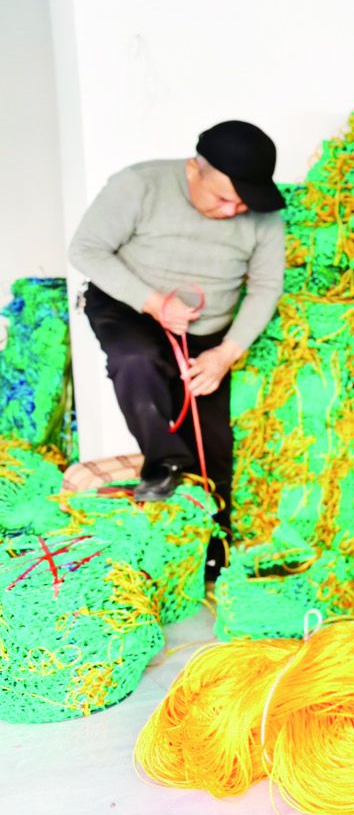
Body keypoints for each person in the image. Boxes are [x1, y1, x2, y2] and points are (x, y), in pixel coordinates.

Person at [68, 120, 286, 574]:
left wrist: (225, 354)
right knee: (137, 361)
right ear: (193, 169)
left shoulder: (263, 215)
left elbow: (266, 287)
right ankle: (164, 463)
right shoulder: (139, 184)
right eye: (223, 198)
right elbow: (86, 250)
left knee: (214, 447)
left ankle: (211, 556)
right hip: (132, 308)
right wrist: (153, 302)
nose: (234, 210)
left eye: (244, 202)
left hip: (208, 332)